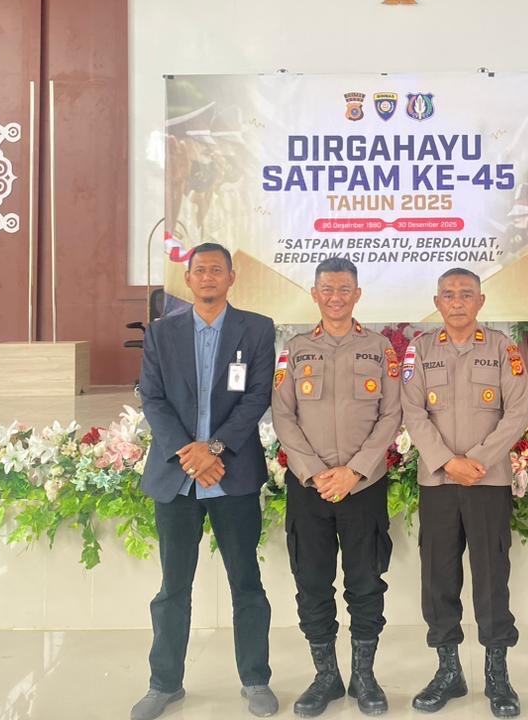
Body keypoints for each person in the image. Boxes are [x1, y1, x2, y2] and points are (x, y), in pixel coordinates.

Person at [131, 242, 280, 720]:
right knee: (172, 587)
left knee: (247, 583)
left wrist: (213, 449)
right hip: (178, 478)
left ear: (232, 277)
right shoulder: (161, 333)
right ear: (189, 279)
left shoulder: (256, 329)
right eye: (200, 270)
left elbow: (256, 396)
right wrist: (190, 453)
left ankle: (256, 679)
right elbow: (152, 398)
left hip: (232, 474)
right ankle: (164, 683)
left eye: (218, 269)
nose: (209, 276)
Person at [271, 257, 403, 717]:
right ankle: (326, 676)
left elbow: (391, 413)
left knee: (366, 583)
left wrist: (355, 471)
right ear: (314, 293)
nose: (335, 297)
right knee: (312, 582)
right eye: (327, 289)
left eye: (344, 289)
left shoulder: (380, 348)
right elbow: (283, 414)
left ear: (357, 294)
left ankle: (364, 676)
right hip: (309, 488)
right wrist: (312, 471)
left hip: (362, 488)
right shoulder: (296, 349)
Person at [400, 268, 528, 718]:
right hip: (438, 482)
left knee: (492, 575)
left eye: (466, 294)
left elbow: (517, 412)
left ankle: (497, 674)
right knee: (438, 576)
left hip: (486, 481)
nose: (457, 301)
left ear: (481, 301)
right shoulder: (419, 351)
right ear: (437, 302)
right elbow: (413, 412)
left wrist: (476, 460)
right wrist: (447, 461)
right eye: (449, 294)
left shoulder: (503, 349)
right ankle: (448, 671)